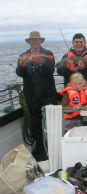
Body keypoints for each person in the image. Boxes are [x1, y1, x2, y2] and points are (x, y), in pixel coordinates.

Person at [16, 31, 57, 161]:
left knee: (50, 122)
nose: (34, 41)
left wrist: (41, 64)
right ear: (29, 42)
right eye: (32, 40)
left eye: (36, 39)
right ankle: (39, 149)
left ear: (40, 41)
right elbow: (19, 73)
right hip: (32, 96)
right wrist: (22, 67)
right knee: (35, 123)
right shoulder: (23, 56)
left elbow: (51, 70)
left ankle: (52, 148)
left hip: (48, 95)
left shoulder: (48, 54)